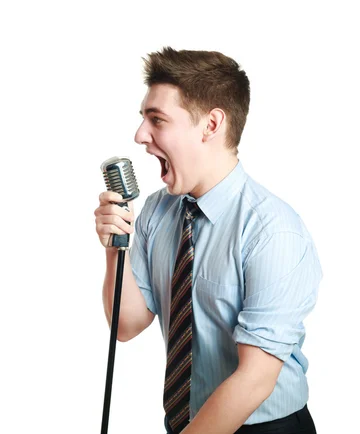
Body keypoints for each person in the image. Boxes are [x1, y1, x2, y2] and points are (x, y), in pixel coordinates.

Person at [94, 47, 320, 434]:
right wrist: (117, 248)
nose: (140, 135)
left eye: (157, 119)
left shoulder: (272, 231)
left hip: (264, 427)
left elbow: (254, 381)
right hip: (188, 423)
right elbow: (127, 324)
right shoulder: (156, 211)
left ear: (211, 125)